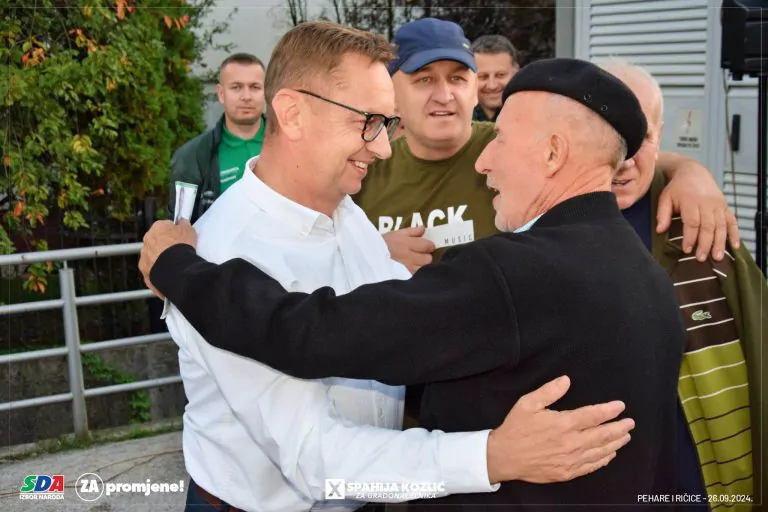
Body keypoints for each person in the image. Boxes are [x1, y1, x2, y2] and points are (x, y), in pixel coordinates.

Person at [140, 58, 688, 508]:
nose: (483, 162)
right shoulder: (644, 273)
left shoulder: (513, 275)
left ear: (553, 153)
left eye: (498, 139)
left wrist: (177, 268)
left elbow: (307, 333)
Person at [357, 18, 741, 277]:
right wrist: (372, 257)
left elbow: (607, 156)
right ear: (393, 93)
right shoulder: (365, 167)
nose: (445, 95)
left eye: (458, 79)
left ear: (475, 89)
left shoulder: (517, 146)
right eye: (424, 80)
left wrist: (690, 173)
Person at [601, 58, 766, 509]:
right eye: (611, 133)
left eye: (641, 135)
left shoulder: (703, 228)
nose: (625, 158)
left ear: (659, 135)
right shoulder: (539, 226)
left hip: (696, 479)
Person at [168, 52, 267, 224]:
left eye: (255, 87)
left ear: (266, 92)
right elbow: (179, 228)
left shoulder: (291, 148)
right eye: (236, 87)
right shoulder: (192, 158)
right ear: (221, 94)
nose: (246, 96)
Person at [472, 35, 520, 122]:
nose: (492, 86)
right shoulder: (456, 120)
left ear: (516, 73)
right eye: (483, 76)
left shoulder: (535, 117)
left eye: (500, 75)